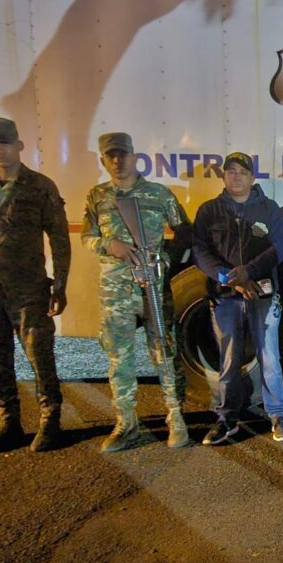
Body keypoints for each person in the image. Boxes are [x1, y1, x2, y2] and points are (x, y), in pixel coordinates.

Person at [81, 132, 193, 452]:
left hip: (153, 288)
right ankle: (127, 423)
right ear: (104, 160)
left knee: (164, 353)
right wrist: (109, 245)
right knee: (120, 358)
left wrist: (165, 260)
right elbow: (87, 237)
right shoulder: (97, 196)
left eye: (122, 154)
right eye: (110, 156)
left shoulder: (158, 194)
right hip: (116, 292)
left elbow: (185, 231)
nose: (117, 161)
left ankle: (176, 417)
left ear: (134, 156)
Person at [0, 117, 70, 454]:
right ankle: (8, 423)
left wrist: (60, 286)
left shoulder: (39, 186)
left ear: (19, 145)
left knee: (40, 356)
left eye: (5, 143)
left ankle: (50, 421)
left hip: (27, 288)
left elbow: (59, 239)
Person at [193, 151, 283, 444]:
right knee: (229, 360)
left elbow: (279, 247)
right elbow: (200, 251)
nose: (236, 177)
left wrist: (248, 271)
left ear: (252, 177)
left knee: (269, 356)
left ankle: (278, 415)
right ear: (224, 176)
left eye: (242, 172)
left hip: (262, 294)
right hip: (225, 297)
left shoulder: (269, 208)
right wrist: (228, 277)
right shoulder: (209, 211)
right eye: (231, 171)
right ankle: (227, 419)